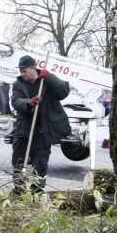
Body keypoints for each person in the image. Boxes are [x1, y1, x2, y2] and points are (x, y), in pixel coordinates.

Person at [9, 55, 72, 195]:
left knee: (41, 163)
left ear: (33, 68)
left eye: (24, 70)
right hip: (23, 130)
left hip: (44, 130)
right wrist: (29, 103)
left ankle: (37, 192)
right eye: (20, 71)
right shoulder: (18, 84)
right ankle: (18, 190)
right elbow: (15, 101)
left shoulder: (46, 81)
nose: (22, 74)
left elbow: (63, 92)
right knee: (18, 161)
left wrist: (49, 76)